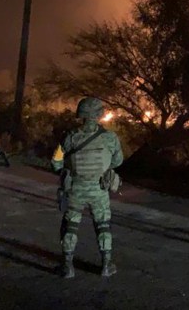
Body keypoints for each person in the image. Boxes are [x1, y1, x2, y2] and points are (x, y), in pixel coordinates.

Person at [50, 97, 123, 278]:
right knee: (103, 225)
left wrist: (64, 169)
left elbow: (56, 161)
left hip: (76, 189)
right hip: (99, 189)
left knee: (71, 225)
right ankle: (106, 265)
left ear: (81, 115)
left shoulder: (70, 137)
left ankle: (67, 267)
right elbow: (118, 160)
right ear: (99, 115)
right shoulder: (110, 138)